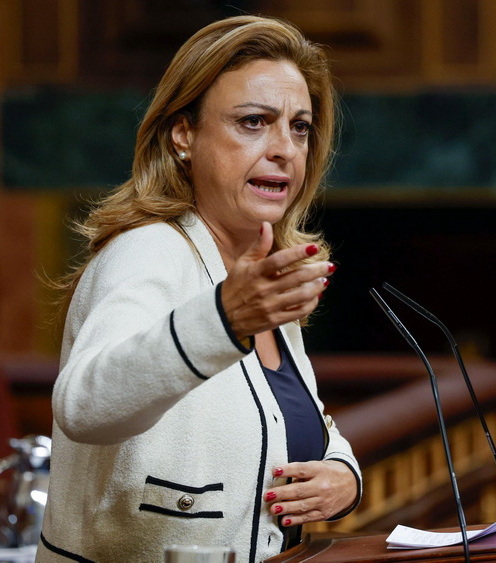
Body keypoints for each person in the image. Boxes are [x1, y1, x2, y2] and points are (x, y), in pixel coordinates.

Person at [37, 16, 361, 563]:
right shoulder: (146, 251)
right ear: (183, 135)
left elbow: (293, 418)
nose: (285, 148)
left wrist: (343, 474)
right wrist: (224, 320)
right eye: (254, 121)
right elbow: (83, 405)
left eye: (300, 127)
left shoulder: (261, 271)